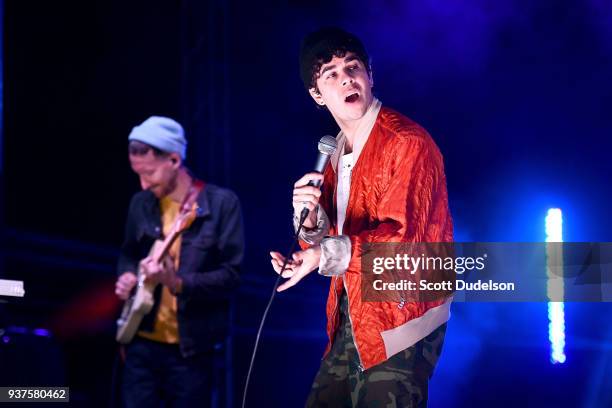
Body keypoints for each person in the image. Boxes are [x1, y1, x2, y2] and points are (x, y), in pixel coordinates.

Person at [270, 28, 453, 407]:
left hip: (402, 315)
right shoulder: (334, 153)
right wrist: (308, 230)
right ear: (317, 95)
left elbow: (405, 244)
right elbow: (333, 237)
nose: (346, 78)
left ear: (370, 74)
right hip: (352, 314)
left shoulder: (406, 142)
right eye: (331, 74)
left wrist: (324, 255)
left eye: (352, 67)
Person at [115, 116, 244, 407]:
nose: (143, 183)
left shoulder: (221, 204)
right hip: (140, 342)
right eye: (138, 174)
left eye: (149, 174)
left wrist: (177, 282)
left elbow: (232, 277)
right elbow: (128, 253)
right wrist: (125, 276)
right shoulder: (141, 203)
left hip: (192, 351)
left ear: (174, 160)